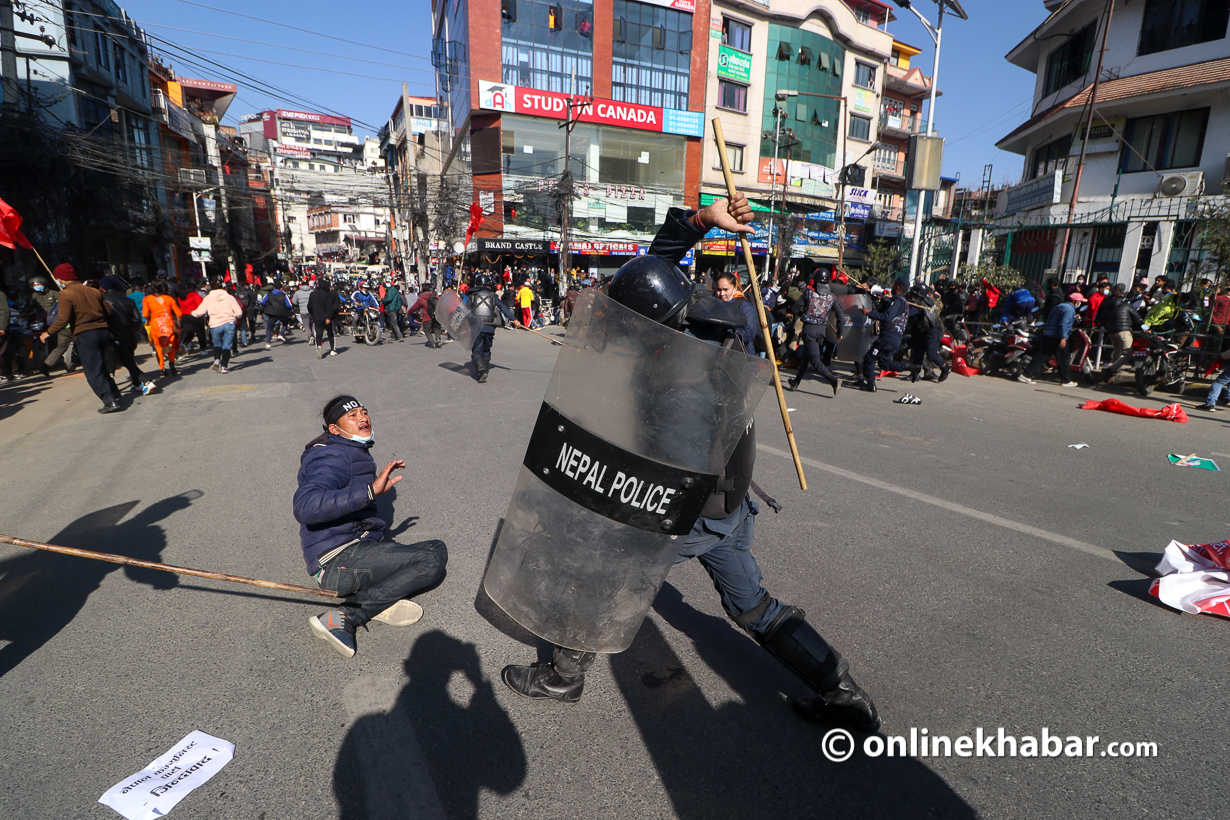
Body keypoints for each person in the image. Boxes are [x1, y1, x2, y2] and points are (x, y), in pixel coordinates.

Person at [499, 193, 881, 734]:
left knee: (595, 573)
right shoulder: (700, 325)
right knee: (751, 606)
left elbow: (661, 475)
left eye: (630, 317)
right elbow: (655, 275)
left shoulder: (678, 378)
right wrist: (701, 221)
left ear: (653, 323)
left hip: (691, 506)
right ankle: (843, 693)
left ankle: (563, 674)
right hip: (732, 504)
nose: (622, 324)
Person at [293, 395, 448, 657]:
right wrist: (370, 492)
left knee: (436, 547)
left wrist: (371, 495)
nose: (362, 418)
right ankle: (347, 615)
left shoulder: (350, 450)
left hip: (354, 550)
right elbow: (306, 505)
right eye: (352, 416)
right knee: (429, 561)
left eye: (364, 412)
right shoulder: (333, 455)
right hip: (337, 562)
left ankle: (376, 598)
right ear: (334, 429)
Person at [39, 264, 124, 413]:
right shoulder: (93, 291)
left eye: (58, 278)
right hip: (103, 332)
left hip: (86, 334)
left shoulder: (65, 294)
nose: (57, 280)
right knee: (101, 365)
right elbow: (108, 311)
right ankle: (114, 393)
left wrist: (48, 332)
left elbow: (63, 319)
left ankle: (109, 401)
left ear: (62, 278)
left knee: (92, 370)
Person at [786, 270, 843, 395]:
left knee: (815, 362)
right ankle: (796, 382)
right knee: (807, 357)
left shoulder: (808, 293)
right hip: (821, 332)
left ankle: (834, 380)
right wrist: (840, 332)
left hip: (809, 331)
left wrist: (802, 314)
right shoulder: (832, 297)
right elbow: (840, 315)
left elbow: (795, 308)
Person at [859, 280, 919, 391]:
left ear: (897, 287)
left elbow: (887, 316)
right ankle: (911, 367)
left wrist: (869, 313)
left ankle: (870, 384)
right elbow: (886, 312)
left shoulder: (898, 301)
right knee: (884, 363)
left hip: (888, 337)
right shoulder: (900, 301)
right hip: (894, 338)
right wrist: (884, 302)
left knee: (869, 357)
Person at [98, 275, 153, 395]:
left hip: (113, 336)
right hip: (130, 335)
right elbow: (137, 318)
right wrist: (134, 330)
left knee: (126, 362)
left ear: (103, 287)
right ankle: (136, 384)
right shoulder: (128, 300)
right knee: (129, 359)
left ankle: (146, 382)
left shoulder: (102, 301)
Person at [1018, 290, 1083, 386]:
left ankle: (1026, 374)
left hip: (1049, 334)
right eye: (1080, 302)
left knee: (1041, 356)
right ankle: (1066, 380)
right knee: (1063, 359)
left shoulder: (1059, 306)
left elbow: (1051, 319)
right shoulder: (1069, 309)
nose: (1080, 304)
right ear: (1076, 302)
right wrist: (1063, 338)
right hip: (1057, 336)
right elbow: (1064, 324)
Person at [468, 272, 523, 382]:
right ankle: (485, 369)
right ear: (488, 285)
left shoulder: (471, 296)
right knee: (486, 348)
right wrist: (514, 319)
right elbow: (503, 307)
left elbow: (464, 309)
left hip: (476, 326)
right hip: (490, 327)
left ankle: (482, 371)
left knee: (477, 351)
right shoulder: (493, 296)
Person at [192, 278, 245, 373]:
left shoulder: (208, 298)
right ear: (223, 287)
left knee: (217, 344)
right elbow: (239, 312)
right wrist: (234, 316)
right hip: (229, 323)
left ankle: (216, 359)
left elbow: (199, 312)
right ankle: (224, 367)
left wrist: (192, 313)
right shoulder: (229, 297)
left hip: (215, 324)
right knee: (227, 346)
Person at [1094, 284, 1142, 383]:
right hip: (1124, 331)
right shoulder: (1126, 304)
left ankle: (1113, 374)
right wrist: (1144, 327)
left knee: (1117, 351)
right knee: (1127, 353)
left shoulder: (1108, 305)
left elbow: (1102, 319)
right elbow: (1137, 318)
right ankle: (1111, 369)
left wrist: (1108, 327)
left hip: (1112, 332)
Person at [142, 281, 182, 377]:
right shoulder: (169, 298)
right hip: (169, 324)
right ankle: (172, 364)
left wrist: (150, 318)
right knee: (171, 346)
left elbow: (145, 314)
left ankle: (162, 368)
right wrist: (178, 325)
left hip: (156, 325)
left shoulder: (147, 299)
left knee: (159, 347)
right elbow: (179, 313)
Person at [307, 279, 342, 358]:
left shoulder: (312, 294)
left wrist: (312, 313)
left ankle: (319, 346)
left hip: (317, 317)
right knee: (330, 333)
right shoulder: (327, 295)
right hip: (326, 317)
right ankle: (332, 349)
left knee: (318, 334)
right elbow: (329, 307)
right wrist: (329, 317)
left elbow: (309, 306)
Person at [261, 281, 294, 347]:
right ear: (281, 288)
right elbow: (289, 305)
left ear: (274, 287)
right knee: (285, 323)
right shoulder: (284, 295)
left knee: (269, 327)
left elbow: (263, 302)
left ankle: (268, 342)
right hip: (282, 313)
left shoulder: (268, 294)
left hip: (272, 312)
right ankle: (281, 334)